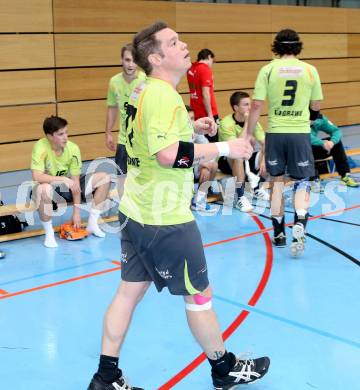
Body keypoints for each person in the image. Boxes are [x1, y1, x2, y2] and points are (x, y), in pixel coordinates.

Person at [87, 22, 270, 390]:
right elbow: (168, 156)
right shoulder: (163, 95)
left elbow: (147, 140)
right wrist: (224, 148)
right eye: (174, 42)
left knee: (128, 292)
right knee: (199, 297)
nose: (184, 44)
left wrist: (188, 126)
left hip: (136, 210)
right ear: (156, 57)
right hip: (165, 219)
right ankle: (224, 369)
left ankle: (106, 377)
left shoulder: (141, 91)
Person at [247, 28, 323, 257]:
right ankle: (299, 220)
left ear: (276, 47)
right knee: (302, 182)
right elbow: (317, 105)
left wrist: (247, 134)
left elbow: (257, 106)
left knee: (276, 183)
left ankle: (279, 233)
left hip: (276, 132)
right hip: (299, 133)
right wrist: (307, 120)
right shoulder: (310, 71)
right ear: (298, 46)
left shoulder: (268, 70)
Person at [31, 116, 111, 248]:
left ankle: (92, 224)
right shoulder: (40, 147)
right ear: (49, 136)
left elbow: (75, 182)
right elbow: (37, 176)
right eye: (61, 134)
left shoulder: (73, 149)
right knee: (43, 189)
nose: (65, 137)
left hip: (67, 186)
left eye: (66, 132)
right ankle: (49, 234)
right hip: (47, 189)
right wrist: (62, 179)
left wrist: (77, 213)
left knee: (105, 178)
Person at [105, 44, 146, 196]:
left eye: (134, 60)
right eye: (127, 60)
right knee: (122, 177)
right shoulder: (114, 82)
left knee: (142, 178)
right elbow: (112, 107)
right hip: (123, 140)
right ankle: (124, 210)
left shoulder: (145, 80)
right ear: (121, 60)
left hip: (142, 141)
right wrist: (108, 132)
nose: (130, 64)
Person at [218, 91, 269, 213]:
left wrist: (263, 161)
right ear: (236, 107)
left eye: (250, 104)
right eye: (246, 105)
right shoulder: (226, 123)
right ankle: (240, 197)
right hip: (226, 160)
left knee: (272, 154)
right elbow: (236, 146)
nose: (250, 107)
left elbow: (265, 144)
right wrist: (247, 123)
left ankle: (257, 188)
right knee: (238, 156)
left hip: (246, 157)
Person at [311, 113, 358, 187]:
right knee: (305, 147)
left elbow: (336, 131)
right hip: (298, 151)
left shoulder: (319, 118)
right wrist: (322, 143)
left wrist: (332, 142)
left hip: (314, 148)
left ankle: (345, 175)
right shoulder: (298, 118)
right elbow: (304, 137)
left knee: (337, 143)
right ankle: (313, 180)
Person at [186, 105, 218, 214]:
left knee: (212, 165)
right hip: (179, 166)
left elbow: (209, 149)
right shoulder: (177, 133)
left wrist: (205, 164)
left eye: (193, 118)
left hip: (192, 165)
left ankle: (198, 201)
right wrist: (202, 162)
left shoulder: (195, 132)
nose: (192, 121)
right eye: (189, 119)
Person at [187, 48, 219, 142]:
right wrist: (210, 114)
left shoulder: (191, 69)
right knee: (212, 143)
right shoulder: (205, 69)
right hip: (206, 112)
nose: (212, 64)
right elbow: (205, 93)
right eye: (212, 60)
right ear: (209, 57)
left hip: (195, 112)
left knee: (201, 142)